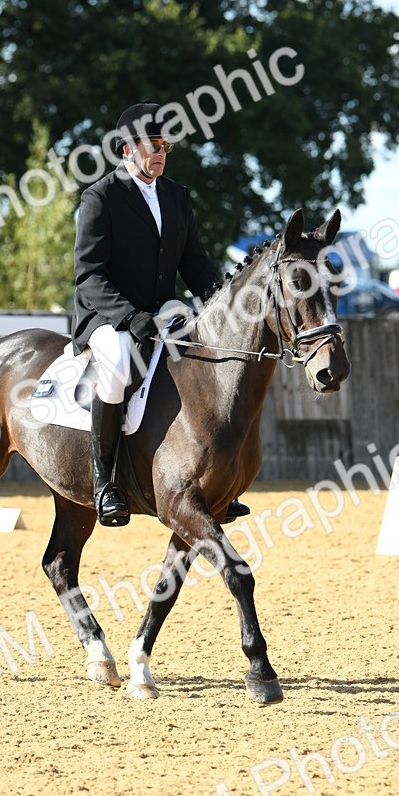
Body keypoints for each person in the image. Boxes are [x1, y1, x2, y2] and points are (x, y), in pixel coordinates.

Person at [71, 100, 251, 527]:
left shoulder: (176, 196)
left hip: (162, 314)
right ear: (126, 149)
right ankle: (105, 482)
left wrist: (222, 304)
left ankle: (213, 482)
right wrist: (130, 316)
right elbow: (89, 274)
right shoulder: (100, 198)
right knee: (118, 363)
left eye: (165, 146)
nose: (160, 153)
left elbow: (195, 263)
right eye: (152, 146)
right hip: (108, 316)